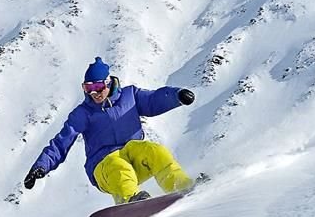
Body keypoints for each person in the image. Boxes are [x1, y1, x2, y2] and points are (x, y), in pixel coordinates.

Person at [23, 56, 197, 204]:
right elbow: (61, 143)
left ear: (108, 82)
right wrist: (40, 167)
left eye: (97, 87)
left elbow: (153, 101)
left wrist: (177, 96)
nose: (94, 93)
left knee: (155, 151)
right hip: (102, 167)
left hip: (133, 155)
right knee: (117, 166)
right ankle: (131, 201)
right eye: (88, 88)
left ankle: (180, 185)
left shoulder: (130, 96)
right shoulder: (82, 113)